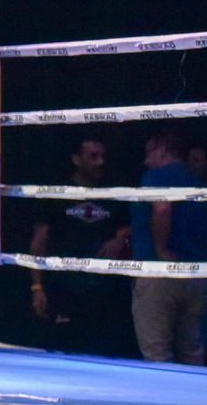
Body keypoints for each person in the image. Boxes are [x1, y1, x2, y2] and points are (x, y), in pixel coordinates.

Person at [25, 139, 135, 357]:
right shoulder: (57, 192)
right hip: (65, 287)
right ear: (76, 159)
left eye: (102, 156)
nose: (100, 162)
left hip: (105, 291)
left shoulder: (115, 190)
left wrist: (120, 239)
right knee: (63, 352)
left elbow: (133, 228)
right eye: (93, 156)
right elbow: (39, 241)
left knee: (103, 354)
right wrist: (37, 287)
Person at [130, 132, 207, 364]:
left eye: (149, 152)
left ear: (162, 149)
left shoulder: (155, 177)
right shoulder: (200, 185)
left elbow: (162, 208)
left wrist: (160, 249)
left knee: (157, 353)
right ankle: (195, 399)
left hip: (160, 273)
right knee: (191, 351)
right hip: (197, 275)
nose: (146, 159)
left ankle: (162, 401)